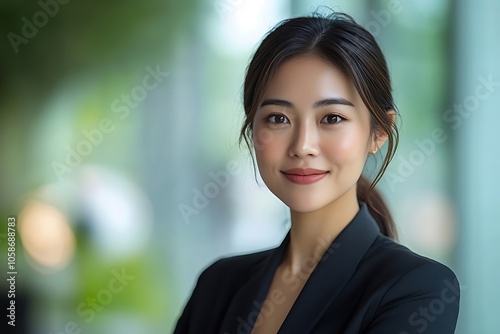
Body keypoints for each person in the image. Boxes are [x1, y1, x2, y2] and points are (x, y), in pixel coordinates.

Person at [174, 11, 460, 334]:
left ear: (378, 132)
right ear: (252, 130)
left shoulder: (415, 288)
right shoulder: (218, 285)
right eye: (278, 118)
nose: (303, 146)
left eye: (332, 118)